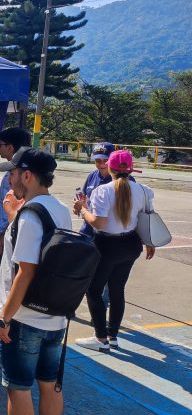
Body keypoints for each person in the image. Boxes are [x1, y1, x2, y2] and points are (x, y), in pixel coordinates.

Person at [0, 147, 69, 415]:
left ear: (27, 176)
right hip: (56, 317)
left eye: (12, 174)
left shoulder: (29, 216)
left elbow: (26, 271)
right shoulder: (60, 209)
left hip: (24, 320)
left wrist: (4, 318)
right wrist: (15, 216)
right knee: (50, 384)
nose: (9, 180)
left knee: (18, 387)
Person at [73, 150, 155, 352]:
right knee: (117, 290)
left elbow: (98, 223)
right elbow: (147, 219)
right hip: (131, 244)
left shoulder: (103, 191)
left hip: (106, 246)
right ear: (130, 169)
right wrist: (149, 242)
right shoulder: (144, 190)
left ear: (110, 167)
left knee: (93, 290)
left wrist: (82, 209)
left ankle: (100, 338)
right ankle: (113, 336)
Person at [0, 128, 31, 352]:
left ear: (11, 147)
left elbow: (17, 206)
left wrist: (3, 234)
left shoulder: (17, 174)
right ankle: (7, 321)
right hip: (0, 235)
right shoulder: (10, 174)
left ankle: (8, 325)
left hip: (5, 237)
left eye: (1, 144)